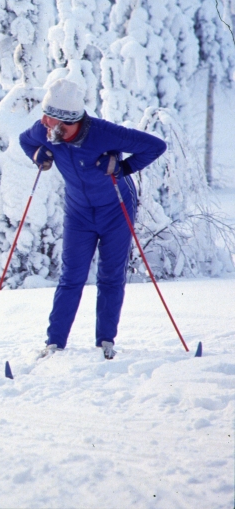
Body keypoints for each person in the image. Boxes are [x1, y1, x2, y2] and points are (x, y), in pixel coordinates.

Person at [18, 78, 166, 360]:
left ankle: (106, 341)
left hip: (116, 211)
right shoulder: (48, 128)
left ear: (74, 121)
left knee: (110, 275)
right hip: (78, 213)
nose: (49, 128)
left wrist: (122, 167)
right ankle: (55, 342)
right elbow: (26, 141)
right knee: (70, 276)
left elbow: (155, 146)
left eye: (56, 124)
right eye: (46, 120)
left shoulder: (104, 134)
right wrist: (39, 154)